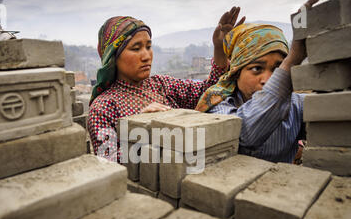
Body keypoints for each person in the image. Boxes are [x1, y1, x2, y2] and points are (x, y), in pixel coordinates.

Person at [88, 9, 245, 161]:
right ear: (113, 57)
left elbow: (208, 92)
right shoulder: (103, 107)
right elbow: (107, 160)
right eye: (136, 48)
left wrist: (219, 49)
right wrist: (143, 127)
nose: (146, 56)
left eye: (148, 47)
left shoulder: (162, 84)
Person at [196, 0, 320, 163]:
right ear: (236, 72)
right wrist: (292, 59)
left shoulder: (295, 104)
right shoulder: (219, 105)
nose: (268, 80)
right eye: (257, 69)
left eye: (277, 70)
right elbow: (244, 133)